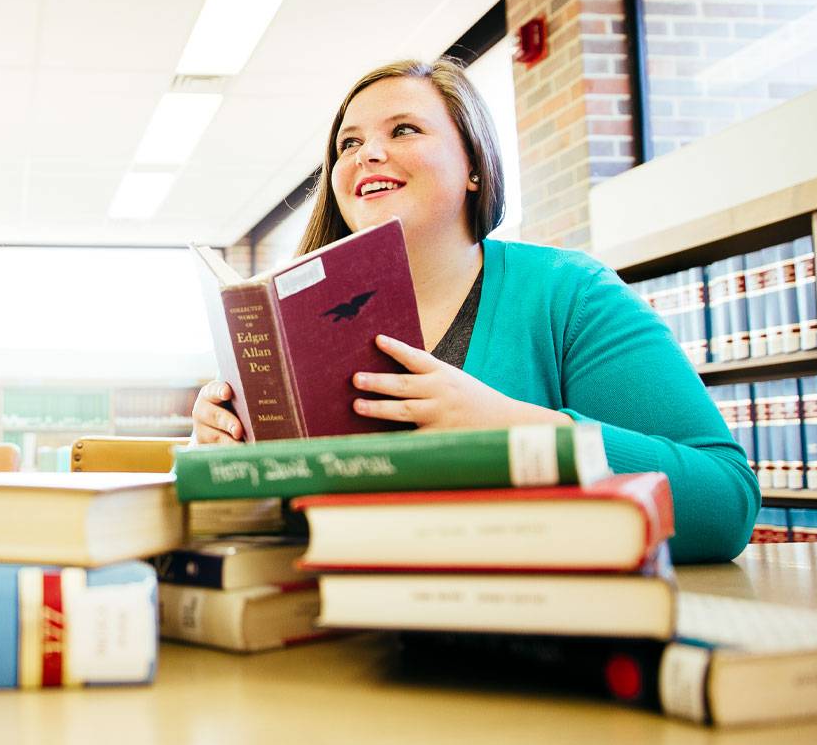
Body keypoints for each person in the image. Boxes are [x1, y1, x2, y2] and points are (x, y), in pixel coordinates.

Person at [190, 58, 758, 563]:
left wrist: (511, 427)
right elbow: (268, 531)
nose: (368, 154)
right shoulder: (287, 326)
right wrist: (217, 461)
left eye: (404, 129)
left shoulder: (568, 294)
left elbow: (726, 502)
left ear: (474, 167)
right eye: (348, 143)